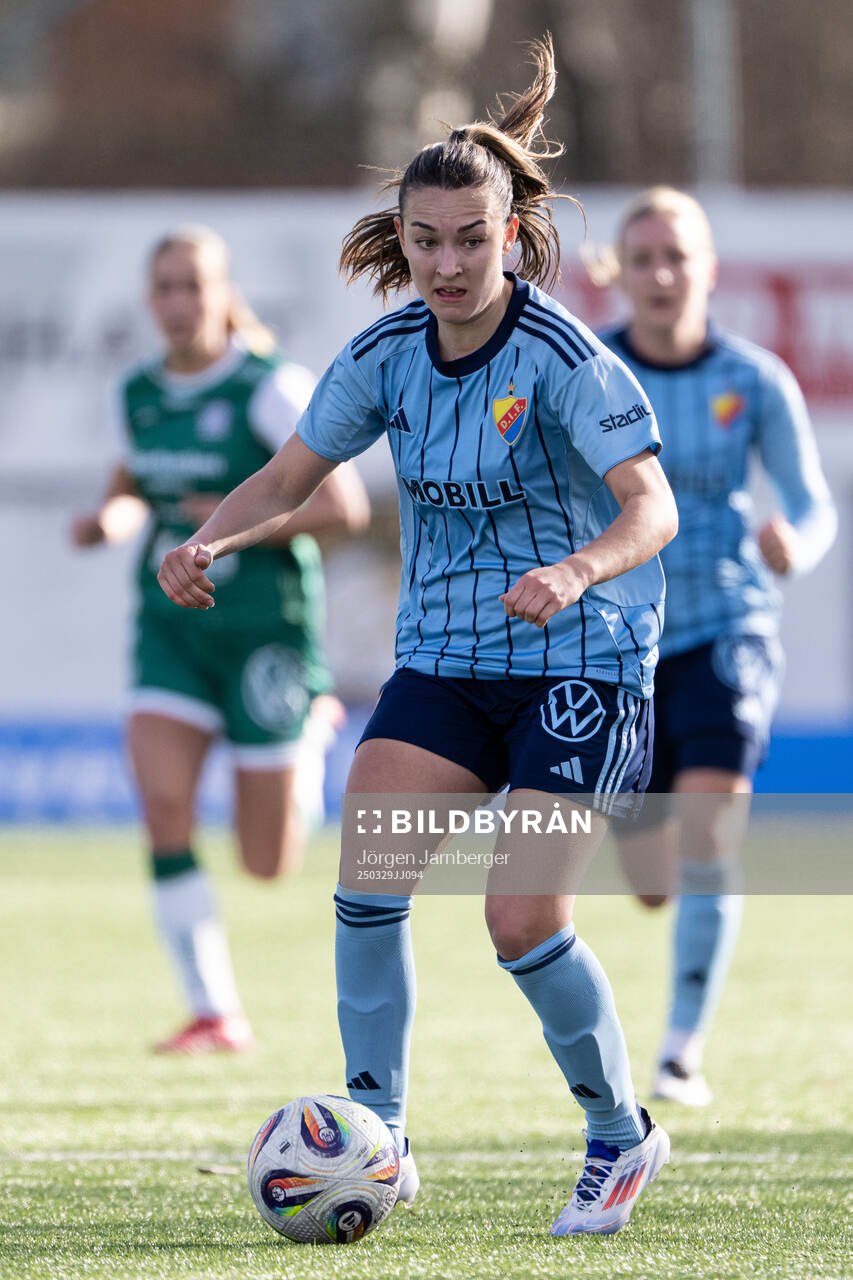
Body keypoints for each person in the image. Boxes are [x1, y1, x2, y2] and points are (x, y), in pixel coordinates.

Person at [158, 38, 679, 1236]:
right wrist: (208, 544)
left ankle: (619, 1133)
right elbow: (289, 471)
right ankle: (374, 1130)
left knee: (517, 916)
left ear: (512, 236)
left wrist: (573, 566)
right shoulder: (386, 354)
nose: (445, 263)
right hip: (447, 664)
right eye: (424, 240)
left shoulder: (561, 356)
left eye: (468, 239)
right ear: (402, 240)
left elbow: (651, 507)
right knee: (368, 883)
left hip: (582, 660)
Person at [71, 225, 370, 1055]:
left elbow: (342, 509)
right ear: (148, 298)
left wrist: (225, 532)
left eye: (190, 287)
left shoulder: (266, 387)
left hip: (262, 631)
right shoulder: (136, 392)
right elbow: (134, 493)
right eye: (163, 287)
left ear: (221, 293)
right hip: (171, 627)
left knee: (268, 861)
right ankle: (214, 1011)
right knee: (162, 804)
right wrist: (109, 521)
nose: (176, 304)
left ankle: (310, 725)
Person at [591, 187, 837, 1106]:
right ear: (620, 270)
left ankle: (681, 1051)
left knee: (711, 826)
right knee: (652, 878)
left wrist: (794, 542)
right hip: (620, 642)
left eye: (677, 256)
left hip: (729, 627)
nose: (660, 274)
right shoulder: (591, 374)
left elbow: (811, 502)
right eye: (643, 257)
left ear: (707, 269)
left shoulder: (754, 379)